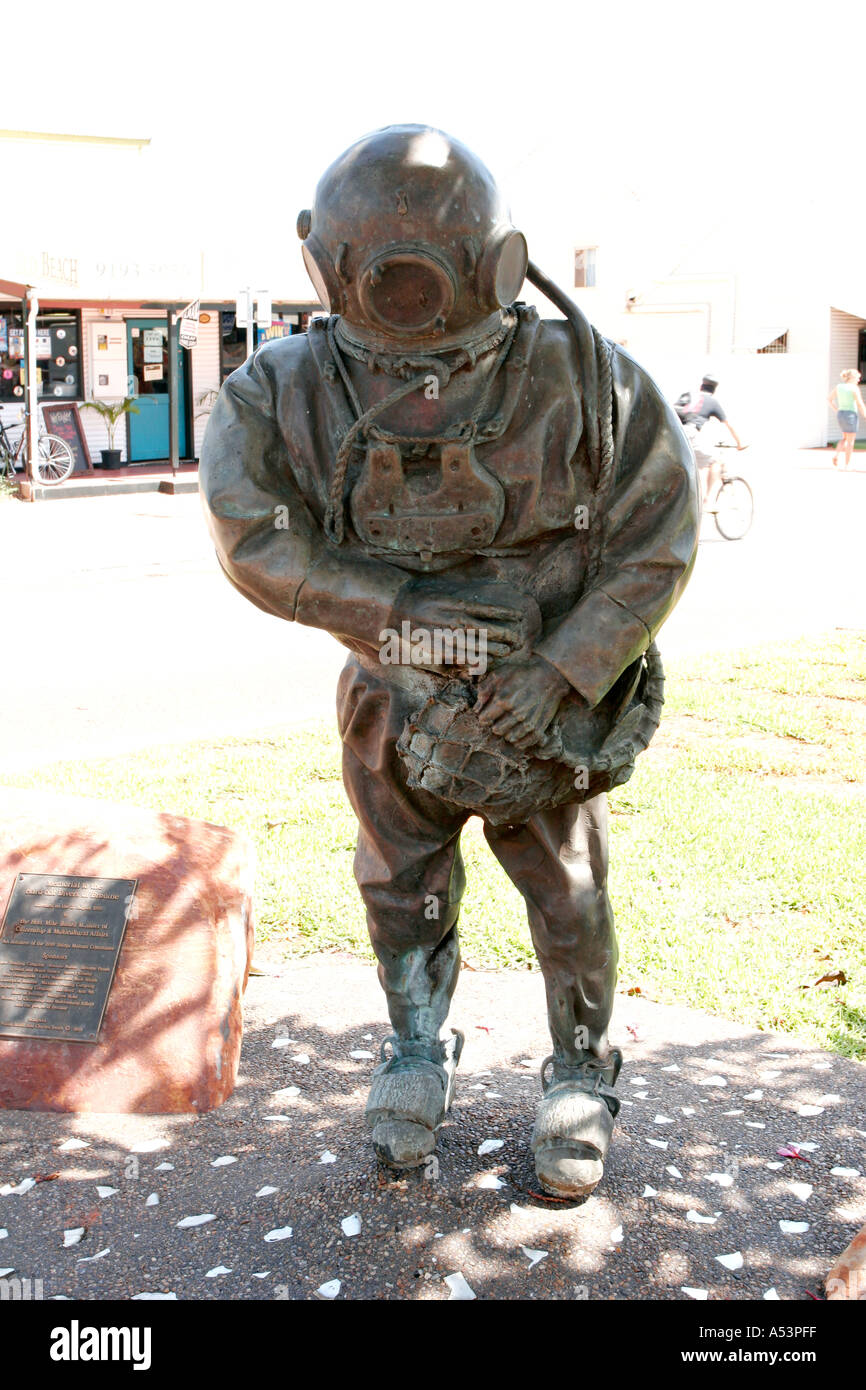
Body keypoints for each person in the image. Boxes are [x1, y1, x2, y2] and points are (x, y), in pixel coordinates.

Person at [199, 126, 699, 1199]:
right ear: (319, 267)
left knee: (566, 888)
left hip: (540, 711)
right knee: (398, 879)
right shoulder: (279, 390)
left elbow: (655, 529)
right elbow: (252, 534)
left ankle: (579, 1067)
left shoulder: (587, 380)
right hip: (391, 696)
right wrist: (399, 609)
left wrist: (562, 669)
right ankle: (416, 1046)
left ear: (501, 266)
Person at [675, 376, 745, 508]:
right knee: (714, 461)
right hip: (691, 433)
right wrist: (740, 443)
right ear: (714, 389)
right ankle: (707, 501)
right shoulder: (712, 401)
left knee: (696, 462)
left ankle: (692, 499)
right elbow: (729, 425)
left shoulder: (688, 396)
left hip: (676, 432)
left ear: (702, 386)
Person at [828, 369, 865, 468]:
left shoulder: (839, 387)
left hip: (841, 414)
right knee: (850, 441)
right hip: (851, 415)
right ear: (852, 377)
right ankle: (847, 465)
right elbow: (860, 403)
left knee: (844, 438)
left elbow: (829, 399)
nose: (858, 380)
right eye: (857, 378)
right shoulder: (854, 388)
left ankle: (836, 455)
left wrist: (837, 410)